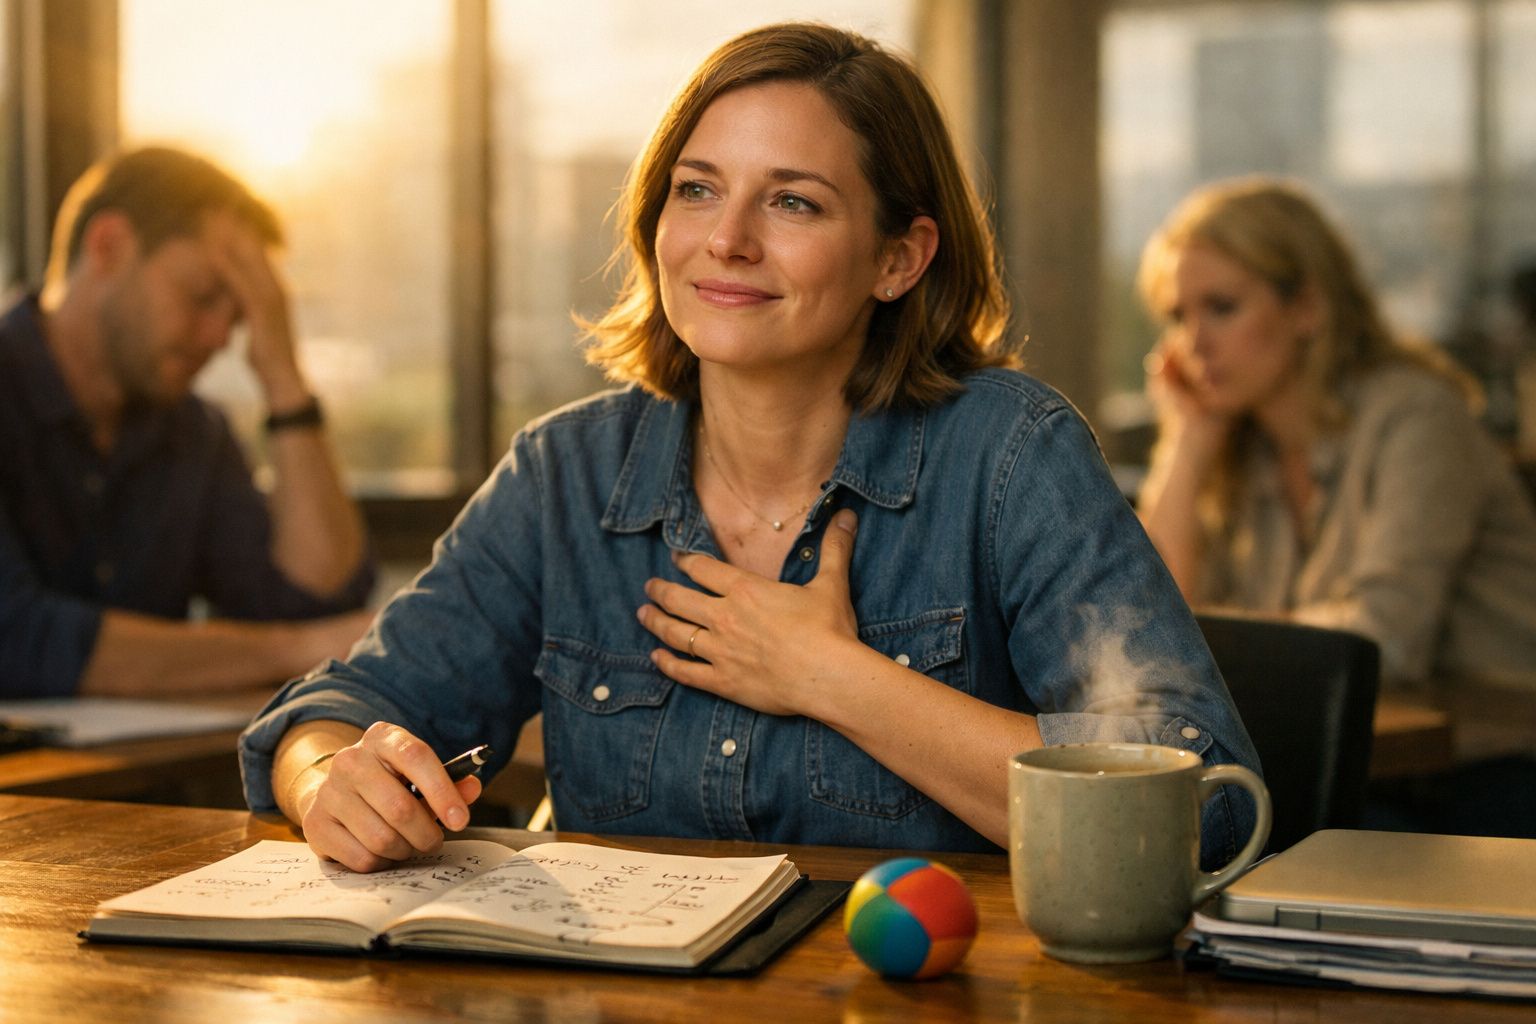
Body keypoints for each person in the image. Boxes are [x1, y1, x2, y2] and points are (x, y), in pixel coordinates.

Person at [241, 22, 1260, 874]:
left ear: (898, 258)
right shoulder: (566, 476)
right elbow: (337, 710)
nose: (725, 240)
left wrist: (832, 676)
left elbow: (1199, 799)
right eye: (696, 189)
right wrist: (331, 776)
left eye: (792, 201)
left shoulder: (1010, 454)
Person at [0, 147, 376, 700]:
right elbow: (16, 639)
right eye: (202, 298)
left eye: (239, 316)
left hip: (145, 780)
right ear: (107, 246)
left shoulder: (195, 433)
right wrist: (289, 649)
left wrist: (283, 377)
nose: (220, 338)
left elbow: (317, 601)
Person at [1135, 177, 1536, 691]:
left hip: (1499, 750)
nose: (1193, 343)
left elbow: (1385, 641)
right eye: (1177, 316)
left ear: (1307, 308)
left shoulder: (1417, 416)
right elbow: (1146, 629)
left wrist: (1205, 638)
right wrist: (1189, 441)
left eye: (1221, 308)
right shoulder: (1243, 447)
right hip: (1380, 752)